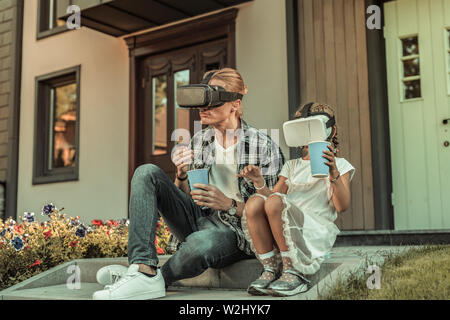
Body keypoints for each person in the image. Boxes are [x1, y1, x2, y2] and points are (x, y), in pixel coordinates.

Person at [92, 68, 285, 300]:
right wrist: (181, 175)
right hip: (198, 217)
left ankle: (149, 278)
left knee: (202, 242)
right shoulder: (201, 140)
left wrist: (229, 204)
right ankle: (142, 265)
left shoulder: (263, 146)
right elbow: (188, 195)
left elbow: (277, 211)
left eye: (212, 102)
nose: (203, 108)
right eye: (201, 101)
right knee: (146, 172)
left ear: (234, 104)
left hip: (235, 233)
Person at [238, 102, 355, 297]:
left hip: (314, 228)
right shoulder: (292, 166)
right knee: (255, 202)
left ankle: (295, 271)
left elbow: (342, 206)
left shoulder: (341, 165)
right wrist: (259, 182)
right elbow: (271, 199)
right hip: (286, 226)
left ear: (330, 131)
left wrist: (332, 171)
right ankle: (271, 268)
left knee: (275, 202)